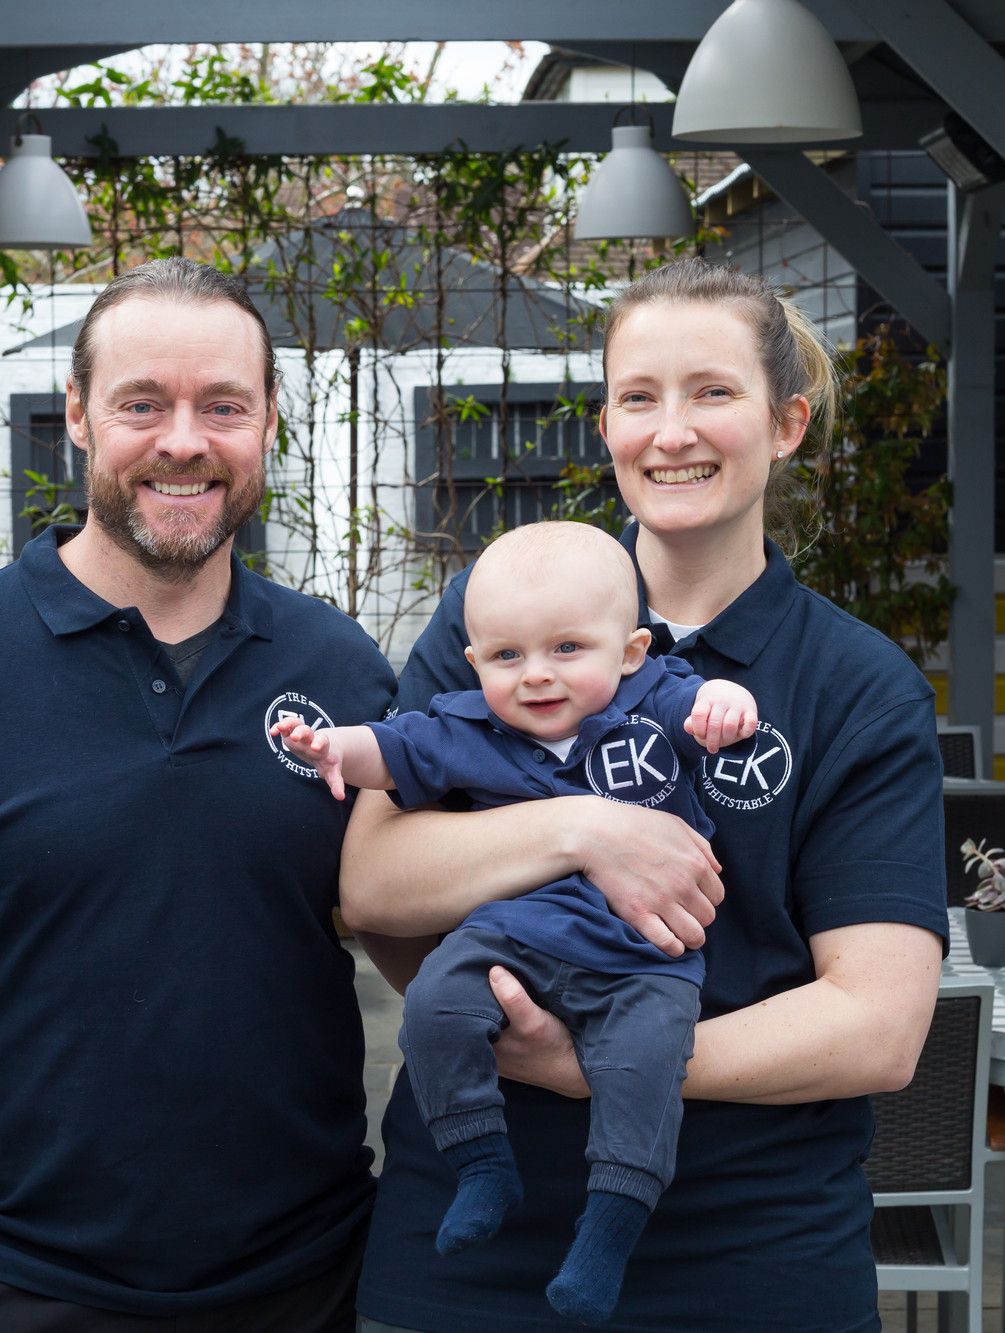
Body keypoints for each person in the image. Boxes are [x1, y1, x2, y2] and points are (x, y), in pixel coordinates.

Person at [0, 258, 397, 1333]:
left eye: (222, 406)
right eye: (141, 403)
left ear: (267, 424)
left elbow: (415, 942)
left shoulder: (339, 667)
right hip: (18, 1286)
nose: (184, 440)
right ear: (77, 420)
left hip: (309, 1281)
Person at [345, 259, 950, 1333]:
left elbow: (876, 1026)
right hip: (472, 1241)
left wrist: (593, 1069)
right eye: (638, 397)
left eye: (711, 392)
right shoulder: (495, 624)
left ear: (787, 423)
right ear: (608, 427)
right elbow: (372, 884)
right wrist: (586, 828)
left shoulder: (855, 686)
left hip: (748, 1250)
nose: (670, 431)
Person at [273, 522, 758, 1325]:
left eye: (567, 649)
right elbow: (392, 751)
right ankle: (481, 1162)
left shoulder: (655, 696)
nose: (535, 675)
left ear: (631, 650)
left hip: (643, 959)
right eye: (507, 657)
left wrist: (724, 703)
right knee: (432, 1006)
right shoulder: (468, 725)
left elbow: (708, 704)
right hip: (512, 941)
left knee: (644, 1073)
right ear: (474, 662)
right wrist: (329, 747)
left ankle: (608, 1229)